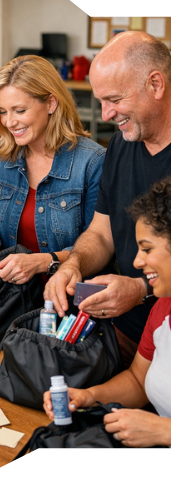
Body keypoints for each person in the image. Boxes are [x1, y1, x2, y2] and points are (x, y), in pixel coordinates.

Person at [44, 32, 171, 366]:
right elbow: (102, 233)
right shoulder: (120, 145)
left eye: (114, 99)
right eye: (100, 101)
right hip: (126, 327)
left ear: (155, 85)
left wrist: (141, 288)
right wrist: (73, 264)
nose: (104, 115)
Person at [0, 55, 105, 285]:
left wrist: (42, 262)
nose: (9, 122)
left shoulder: (91, 161)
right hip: (9, 295)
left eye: (19, 110)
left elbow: (98, 246)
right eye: (3, 111)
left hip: (65, 294)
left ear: (51, 103)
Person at [43, 177, 171, 448]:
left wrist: (164, 431)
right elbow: (138, 380)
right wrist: (87, 397)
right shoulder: (162, 309)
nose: (136, 261)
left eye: (147, 249)